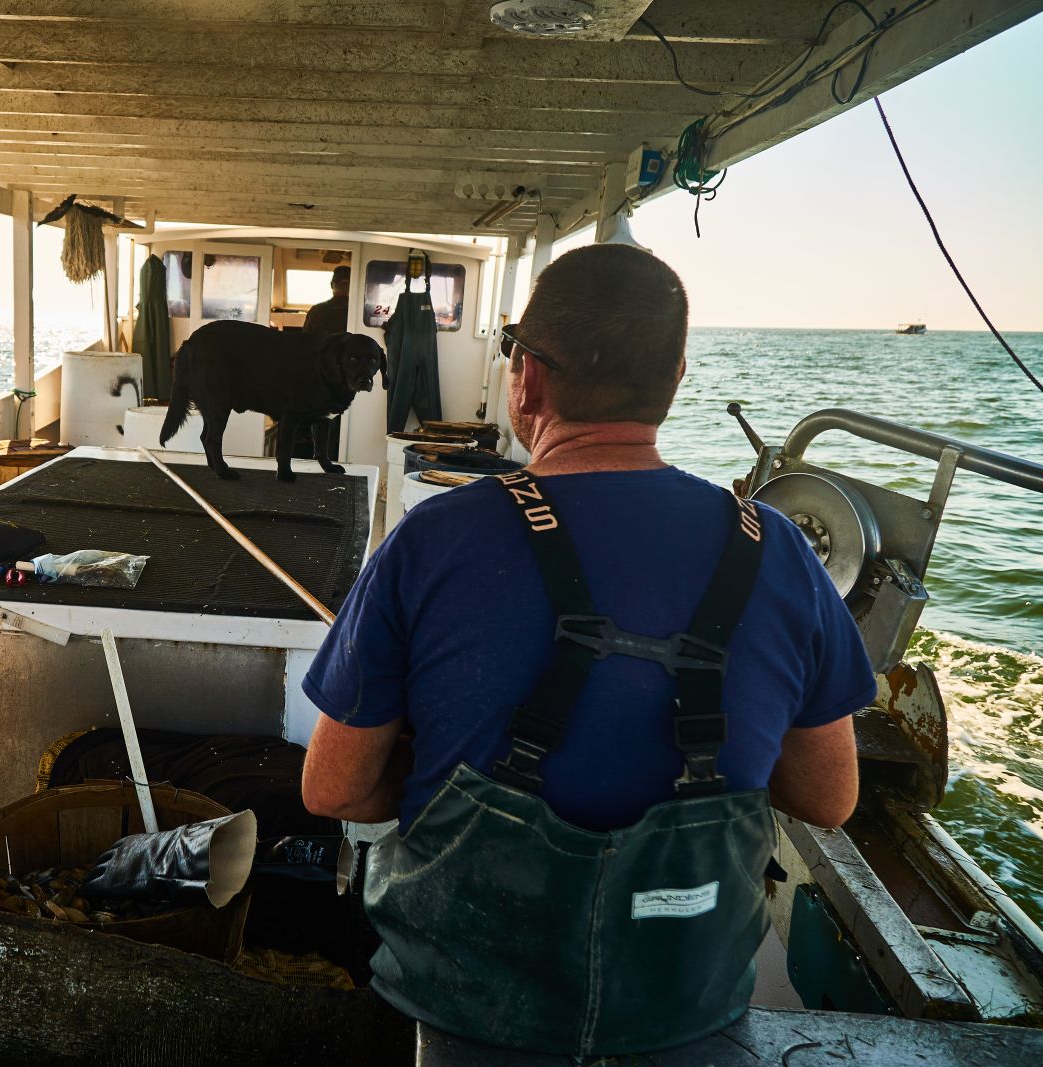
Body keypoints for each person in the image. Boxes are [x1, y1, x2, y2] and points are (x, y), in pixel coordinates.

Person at [300, 244, 872, 1057]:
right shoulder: (775, 548)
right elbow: (828, 798)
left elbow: (332, 786)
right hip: (686, 1011)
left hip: (470, 1014)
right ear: (675, 380)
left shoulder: (435, 538)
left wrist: (442, 771)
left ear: (526, 377)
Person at [301, 265, 350, 337]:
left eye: (346, 283)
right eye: (341, 283)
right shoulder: (358, 313)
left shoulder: (316, 310)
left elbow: (304, 339)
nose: (343, 287)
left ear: (331, 285)